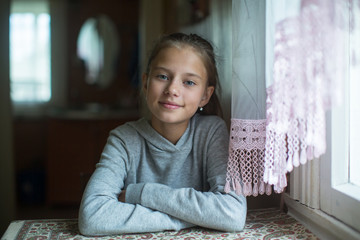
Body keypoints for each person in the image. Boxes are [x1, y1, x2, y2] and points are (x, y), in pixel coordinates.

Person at [78, 33, 247, 236]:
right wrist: (194, 217)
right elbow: (92, 216)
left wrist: (141, 193)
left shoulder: (211, 132)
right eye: (163, 77)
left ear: (205, 96)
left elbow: (232, 213)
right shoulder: (123, 139)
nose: (172, 89)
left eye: (189, 82)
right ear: (146, 83)